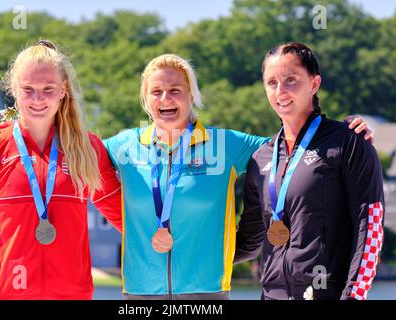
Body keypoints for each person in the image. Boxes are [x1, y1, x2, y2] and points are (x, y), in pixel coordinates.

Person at [103, 53, 373, 299]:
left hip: (207, 294)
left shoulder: (225, 145)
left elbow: (295, 150)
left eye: (175, 90)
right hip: (139, 294)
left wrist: (345, 132)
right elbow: (76, 155)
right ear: (145, 99)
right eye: (156, 92)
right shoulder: (125, 146)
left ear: (191, 96)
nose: (165, 99)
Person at [0, 40, 122, 300]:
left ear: (63, 89)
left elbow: (128, 219)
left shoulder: (87, 149)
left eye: (48, 89)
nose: (37, 99)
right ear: (14, 89)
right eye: (28, 89)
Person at [235, 42, 385, 300]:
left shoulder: (348, 143)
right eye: (271, 83)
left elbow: (370, 226)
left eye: (291, 80)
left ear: (314, 84)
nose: (280, 91)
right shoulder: (261, 158)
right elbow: (248, 243)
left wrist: (353, 295)